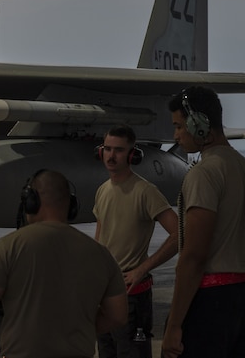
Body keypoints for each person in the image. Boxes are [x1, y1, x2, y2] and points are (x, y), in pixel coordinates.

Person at [0, 168, 128, 358]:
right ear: (71, 206)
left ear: (31, 202)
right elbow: (118, 315)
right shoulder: (100, 254)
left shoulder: (8, 247)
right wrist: (81, 327)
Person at [162, 86, 245, 358]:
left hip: (211, 302)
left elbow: (194, 256)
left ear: (199, 124)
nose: (176, 135)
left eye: (179, 126)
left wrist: (173, 324)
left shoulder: (205, 173)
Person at [93, 125, 179, 358]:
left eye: (119, 150)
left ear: (132, 154)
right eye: (107, 149)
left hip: (132, 297)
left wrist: (143, 268)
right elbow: (100, 239)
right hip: (104, 294)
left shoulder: (145, 191)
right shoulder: (102, 190)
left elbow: (179, 234)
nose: (111, 156)